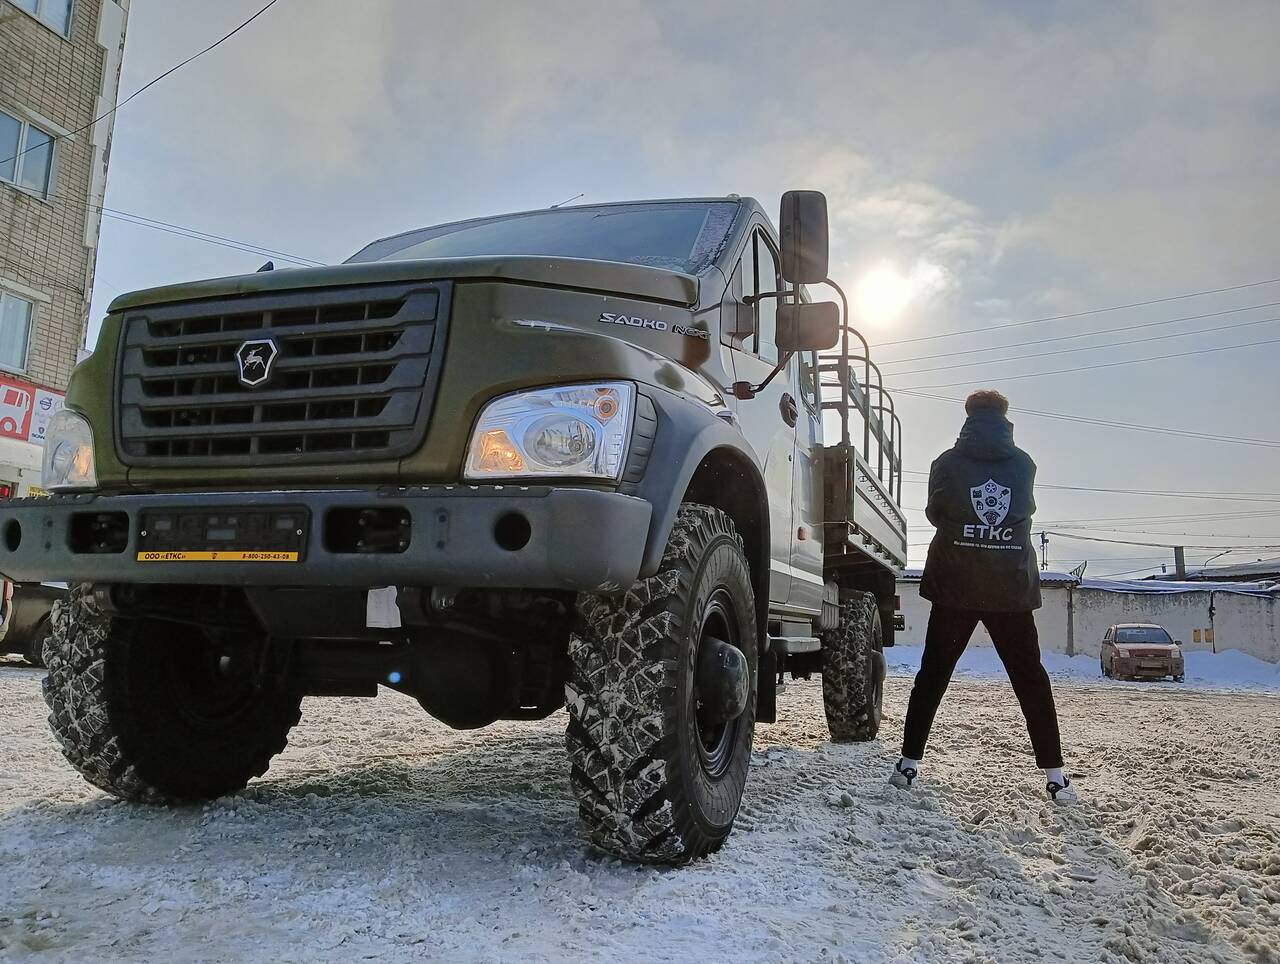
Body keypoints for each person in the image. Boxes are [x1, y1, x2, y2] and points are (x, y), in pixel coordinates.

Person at [890, 389, 1077, 803]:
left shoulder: (946, 463)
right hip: (1009, 587)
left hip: (956, 583)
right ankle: (1056, 776)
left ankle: (907, 765)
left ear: (968, 416)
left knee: (932, 676)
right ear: (1005, 417)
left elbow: (936, 513)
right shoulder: (1024, 464)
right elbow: (1023, 510)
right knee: (1030, 679)